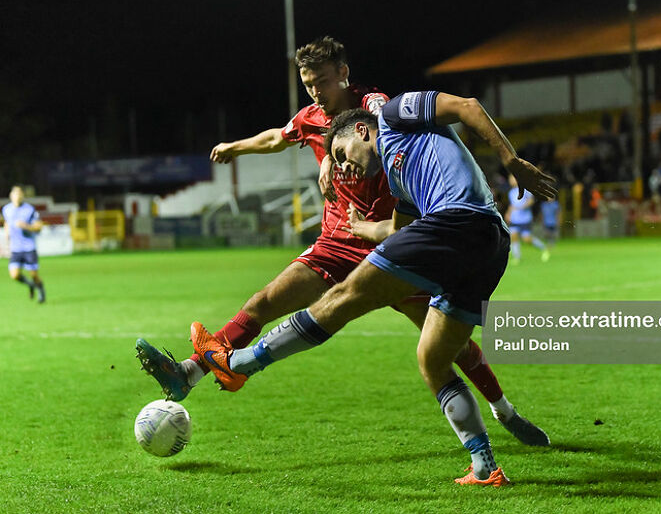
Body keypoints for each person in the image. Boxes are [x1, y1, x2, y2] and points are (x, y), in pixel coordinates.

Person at [136, 38, 548, 447]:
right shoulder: (311, 117)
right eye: (309, 83)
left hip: (398, 240)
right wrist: (233, 148)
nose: (316, 90)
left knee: (451, 345)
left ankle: (505, 412)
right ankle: (189, 373)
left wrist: (334, 154)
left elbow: (372, 134)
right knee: (262, 302)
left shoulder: (373, 105)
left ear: (343, 75)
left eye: (323, 81)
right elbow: (275, 138)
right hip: (339, 241)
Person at [190, 90, 556, 486]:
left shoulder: (398, 114)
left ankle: (240, 363)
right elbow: (397, 230)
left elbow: (467, 107)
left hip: (458, 221)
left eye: (344, 153)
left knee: (344, 296)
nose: (344, 165)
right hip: (488, 248)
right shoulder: (399, 182)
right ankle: (485, 466)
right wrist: (360, 227)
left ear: (362, 131)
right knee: (433, 360)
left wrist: (510, 160)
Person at [2, 185, 45, 303]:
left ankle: (41, 291)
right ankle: (31, 285)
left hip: (29, 247)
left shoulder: (29, 209)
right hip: (16, 248)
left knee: (34, 274)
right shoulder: (6, 209)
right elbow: (7, 223)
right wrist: (7, 236)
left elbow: (39, 227)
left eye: (20, 193)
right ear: (11, 195)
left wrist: (26, 226)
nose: (18, 196)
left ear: (23, 196)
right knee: (14, 275)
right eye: (15, 193)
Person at [505, 174, 549, 263]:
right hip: (514, 218)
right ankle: (517, 258)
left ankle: (543, 247)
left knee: (527, 239)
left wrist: (522, 207)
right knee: (513, 236)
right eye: (510, 179)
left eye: (512, 179)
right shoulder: (511, 192)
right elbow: (512, 205)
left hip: (525, 218)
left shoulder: (525, 190)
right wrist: (508, 213)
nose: (511, 181)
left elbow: (531, 200)